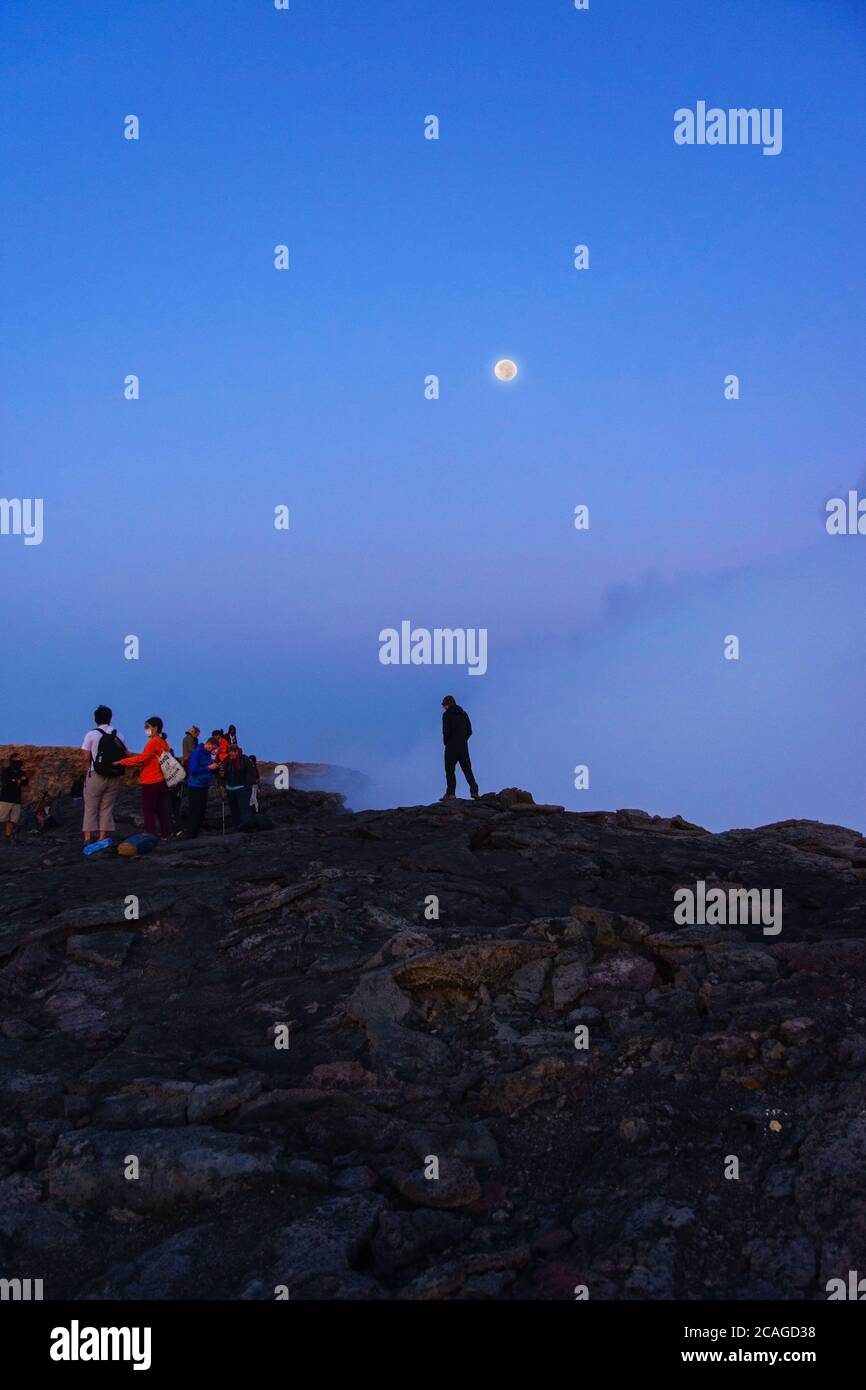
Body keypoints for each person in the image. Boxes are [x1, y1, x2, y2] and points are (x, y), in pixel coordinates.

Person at [117, 716, 172, 839]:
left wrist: (123, 761)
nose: (145, 729)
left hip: (151, 780)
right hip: (161, 780)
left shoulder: (153, 742)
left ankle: (150, 834)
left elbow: (142, 759)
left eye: (147, 726)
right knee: (161, 810)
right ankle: (165, 834)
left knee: (148, 810)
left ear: (155, 728)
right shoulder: (163, 742)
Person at [81, 705, 127, 844]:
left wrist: (86, 772)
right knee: (107, 807)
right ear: (110, 718)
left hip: (95, 773)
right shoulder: (118, 735)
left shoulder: (91, 735)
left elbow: (85, 757)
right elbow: (125, 754)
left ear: (95, 719)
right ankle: (102, 836)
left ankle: (88, 837)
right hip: (113, 774)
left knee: (90, 806)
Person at [441, 695, 479, 801]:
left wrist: (447, 742)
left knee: (450, 771)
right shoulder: (464, 714)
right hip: (463, 747)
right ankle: (474, 791)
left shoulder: (446, 715)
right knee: (467, 770)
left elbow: (446, 731)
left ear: (447, 704)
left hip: (451, 748)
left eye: (444, 705)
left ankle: (451, 794)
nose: (444, 707)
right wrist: (463, 740)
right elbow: (469, 731)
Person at [185, 738, 218, 838]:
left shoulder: (207, 754)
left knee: (201, 811)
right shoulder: (197, 753)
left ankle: (196, 832)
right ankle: (191, 834)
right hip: (195, 786)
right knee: (195, 810)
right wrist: (208, 768)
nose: (214, 751)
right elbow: (193, 770)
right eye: (213, 748)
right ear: (208, 744)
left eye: (215, 749)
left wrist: (214, 768)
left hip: (203, 786)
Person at [0, 755, 29, 844]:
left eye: (20, 759)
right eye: (17, 759)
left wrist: (17, 780)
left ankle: (7, 837)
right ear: (12, 760)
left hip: (16, 800)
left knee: (13, 820)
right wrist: (18, 780)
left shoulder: (21, 772)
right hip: (5, 799)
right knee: (1, 819)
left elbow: (25, 782)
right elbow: (5, 782)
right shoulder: (6, 771)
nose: (19, 761)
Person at [223, 744, 252, 828]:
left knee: (244, 808)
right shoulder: (227, 760)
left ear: (236, 752)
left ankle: (246, 826)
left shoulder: (245, 759)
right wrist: (222, 776)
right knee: (234, 809)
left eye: (231, 754)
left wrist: (247, 785)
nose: (230, 756)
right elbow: (224, 774)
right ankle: (237, 827)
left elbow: (251, 773)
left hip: (242, 788)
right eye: (229, 754)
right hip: (230, 788)